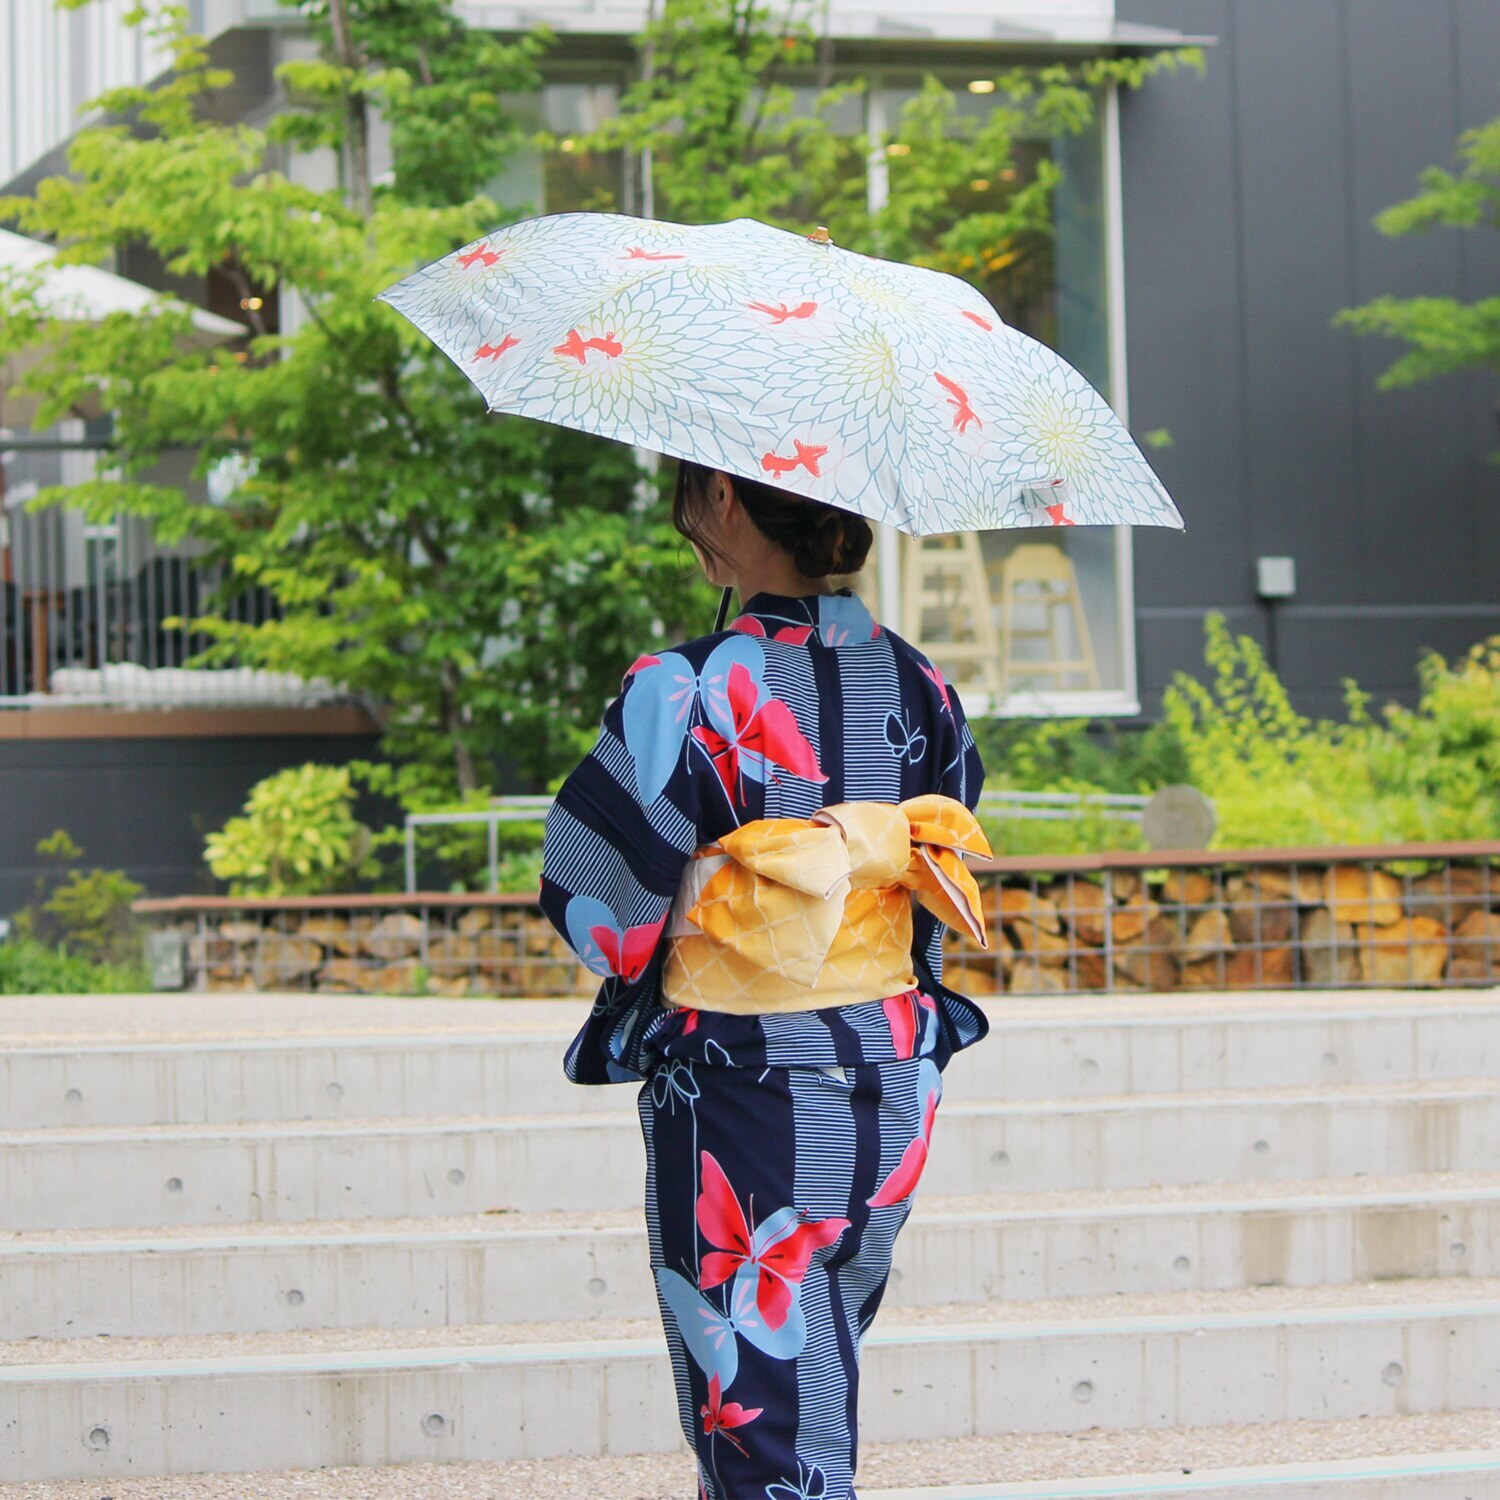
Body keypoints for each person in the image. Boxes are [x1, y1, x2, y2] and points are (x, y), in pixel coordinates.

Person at [539, 459, 991, 1500]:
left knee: (762, 1416)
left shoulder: (680, 686)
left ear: (728, 497)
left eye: (690, 493)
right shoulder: (918, 679)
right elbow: (935, 851)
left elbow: (605, 912)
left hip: (748, 1083)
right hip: (891, 1071)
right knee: (802, 1376)